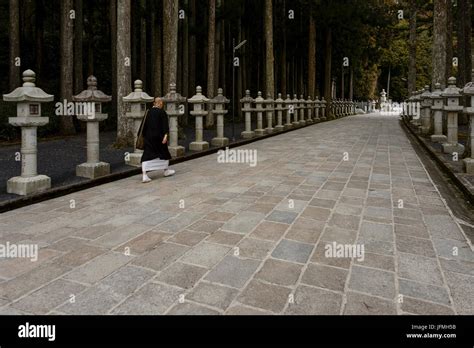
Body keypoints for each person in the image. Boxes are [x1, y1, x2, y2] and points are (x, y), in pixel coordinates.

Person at [140, 97, 175, 183]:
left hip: (148, 137)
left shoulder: (148, 112)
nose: (162, 104)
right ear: (158, 103)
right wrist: (165, 136)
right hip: (159, 137)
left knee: (147, 154)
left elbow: (143, 125)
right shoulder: (162, 112)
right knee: (164, 153)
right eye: (161, 103)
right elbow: (165, 126)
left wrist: (144, 136)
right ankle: (165, 170)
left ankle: (144, 175)